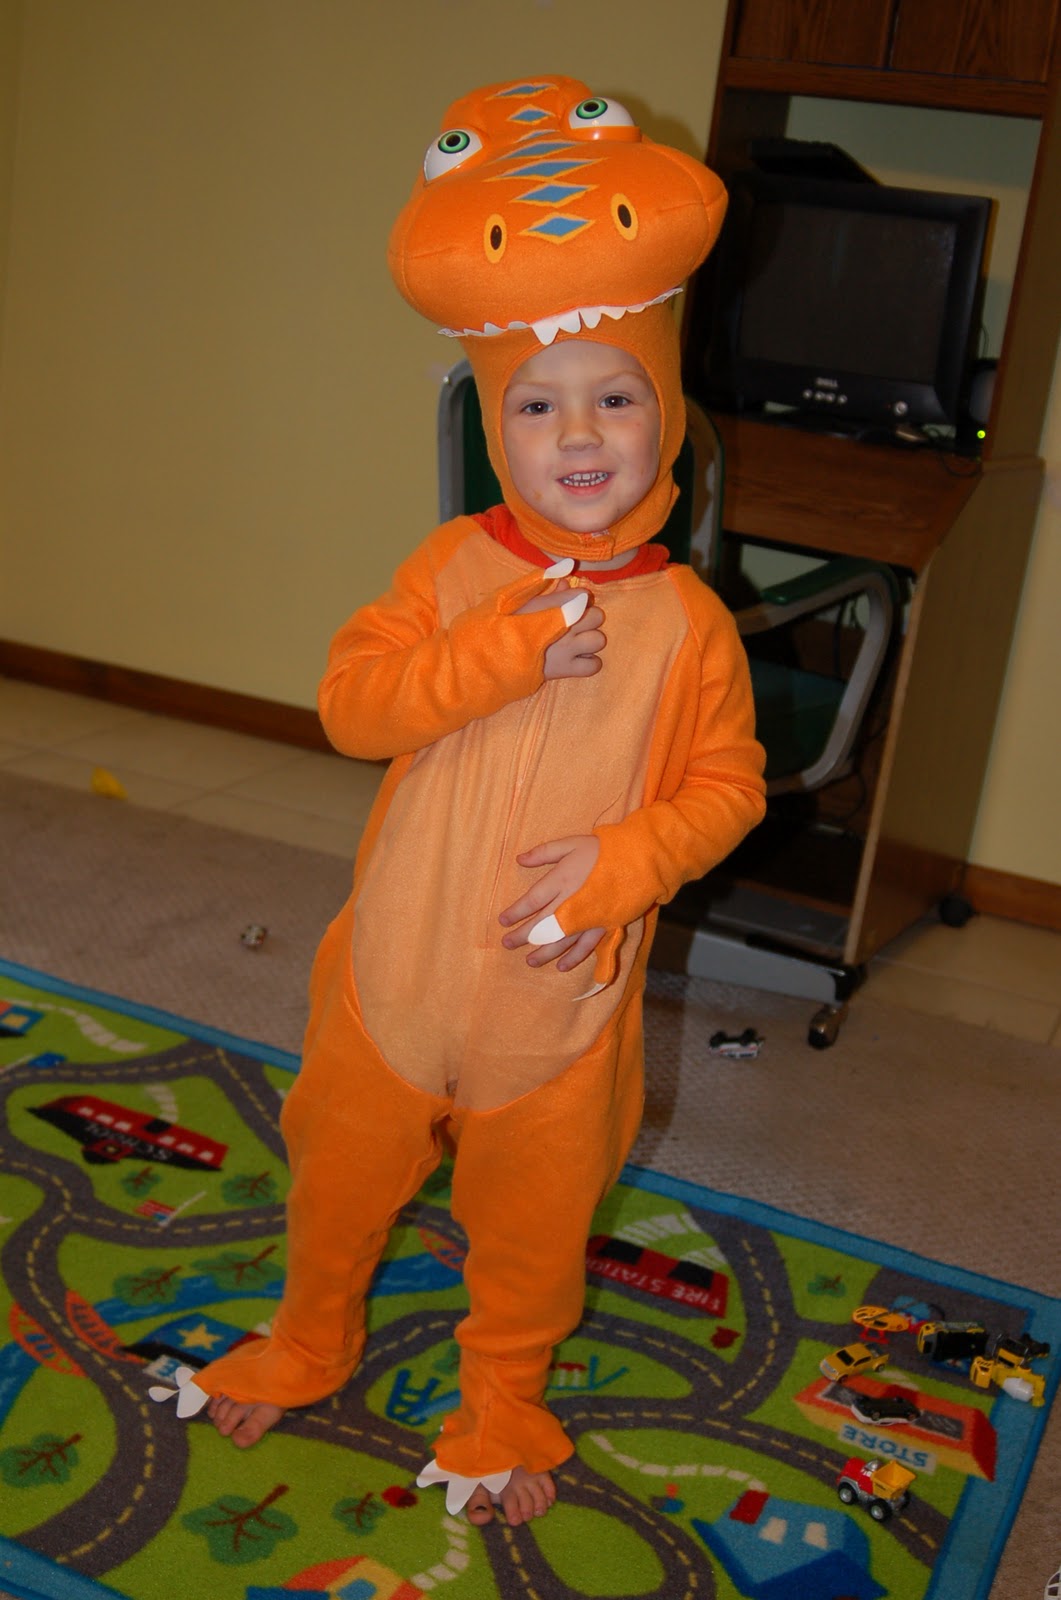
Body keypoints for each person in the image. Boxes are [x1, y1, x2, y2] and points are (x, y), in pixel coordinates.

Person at [152, 75, 766, 1531]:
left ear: (665, 415)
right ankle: (309, 1340)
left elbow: (730, 786)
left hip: (556, 1010)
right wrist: (499, 652)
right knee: (335, 1181)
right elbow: (351, 706)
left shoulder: (691, 624)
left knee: (534, 1234)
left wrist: (627, 861)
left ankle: (503, 1400)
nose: (579, 435)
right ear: (496, 421)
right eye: (538, 405)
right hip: (393, 976)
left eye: (616, 398)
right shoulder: (450, 571)